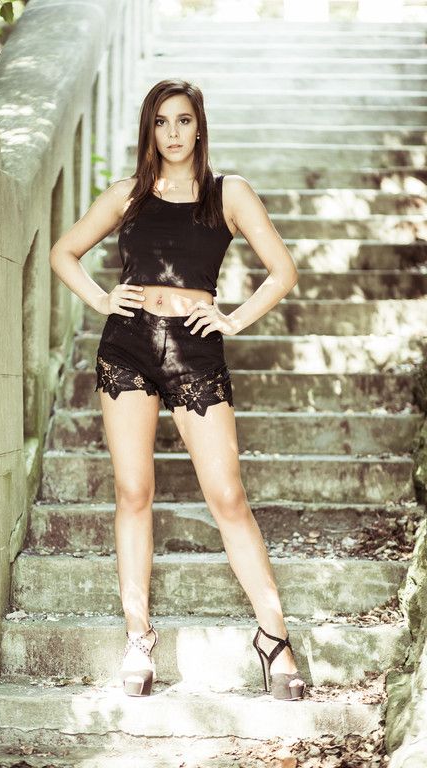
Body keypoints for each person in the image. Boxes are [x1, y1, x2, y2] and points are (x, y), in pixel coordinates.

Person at [49, 79, 306, 701]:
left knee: (227, 495)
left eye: (183, 120)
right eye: (161, 121)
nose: (172, 132)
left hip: (195, 349)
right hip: (128, 346)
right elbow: (63, 252)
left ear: (199, 126)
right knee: (133, 491)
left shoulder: (228, 193)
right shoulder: (128, 195)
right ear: (150, 128)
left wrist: (233, 319)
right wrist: (102, 299)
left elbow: (283, 271)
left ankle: (274, 638)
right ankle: (138, 637)